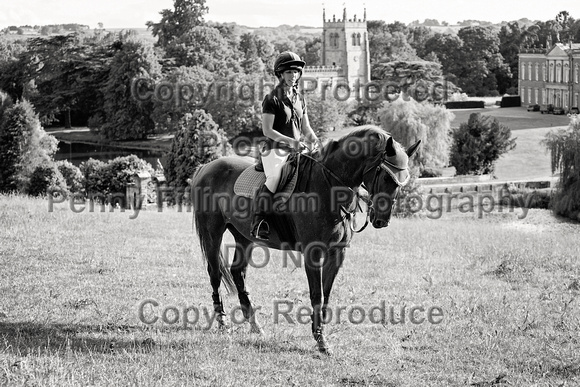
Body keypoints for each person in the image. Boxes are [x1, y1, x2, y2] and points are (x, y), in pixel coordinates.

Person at [250, 51, 320, 240]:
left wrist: (314, 139)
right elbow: (267, 131)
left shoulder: (300, 98)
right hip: (275, 149)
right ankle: (259, 221)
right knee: (274, 178)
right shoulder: (272, 99)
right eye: (289, 72)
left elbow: (306, 126)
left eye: (296, 72)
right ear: (280, 74)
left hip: (298, 149)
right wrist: (292, 142)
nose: (293, 76)